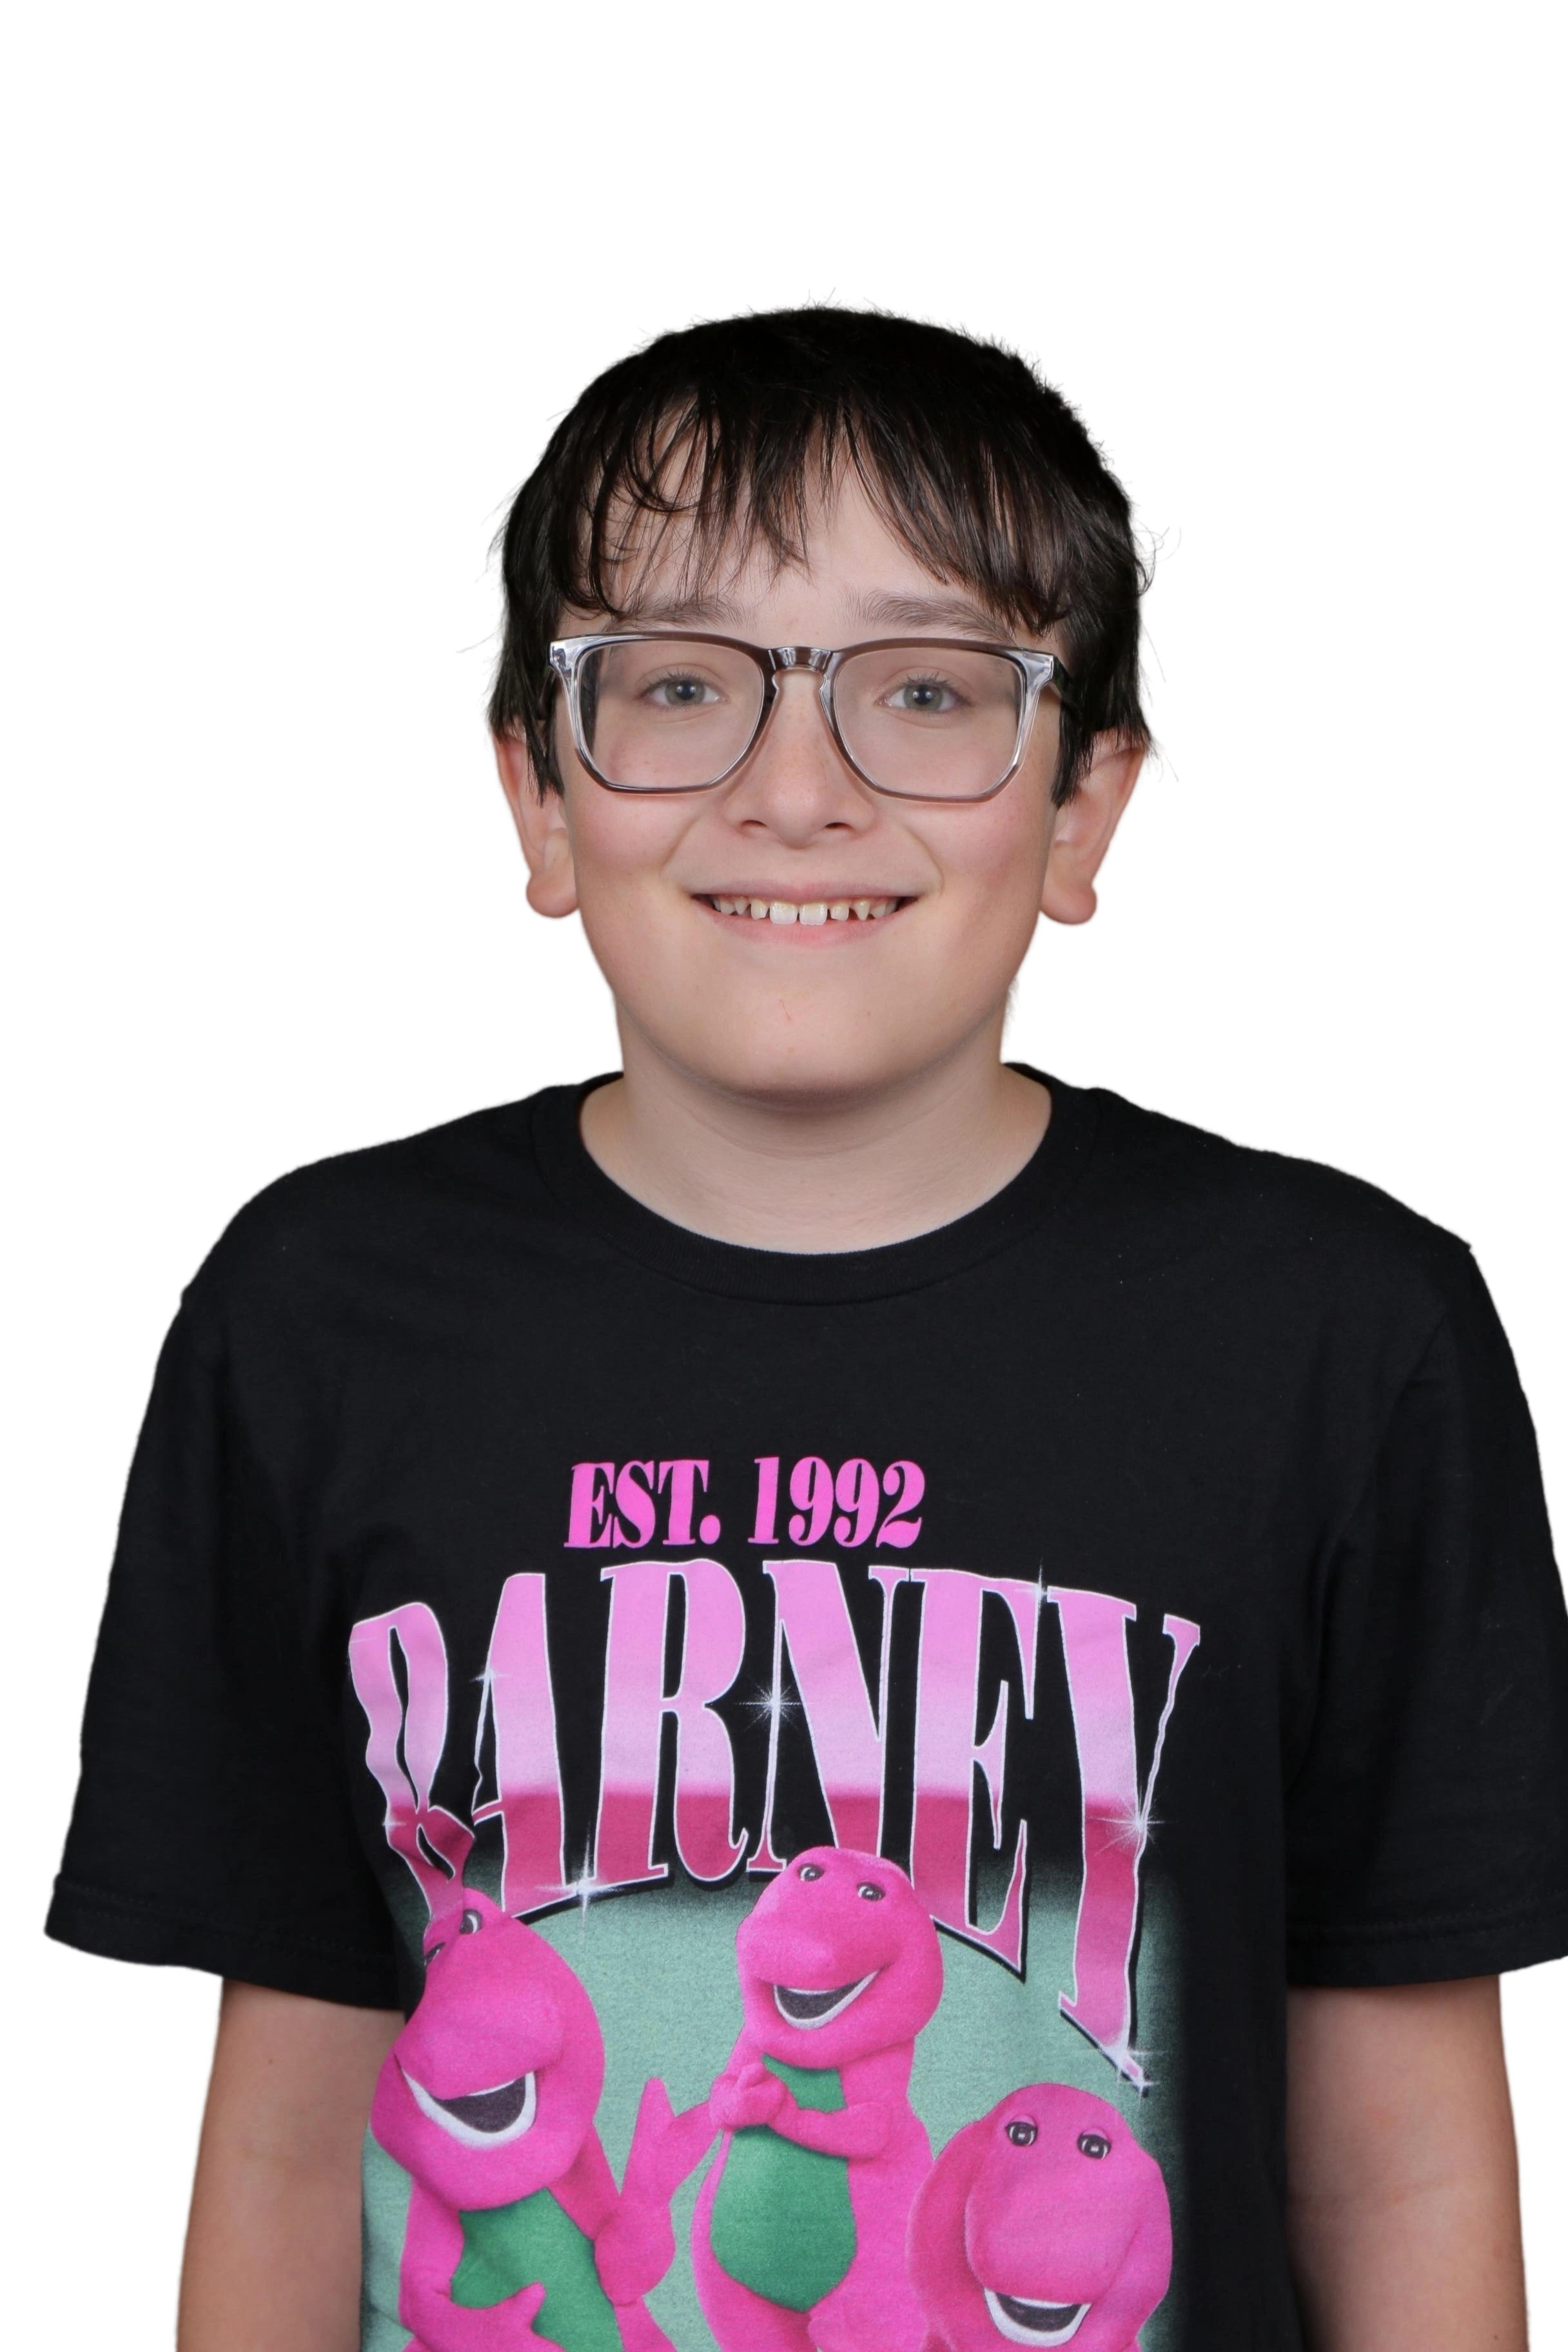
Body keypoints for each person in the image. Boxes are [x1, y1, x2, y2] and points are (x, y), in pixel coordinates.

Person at [43, 289, 1568, 2352]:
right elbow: (296, 2133)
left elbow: (1395, 2159)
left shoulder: (1340, 1327)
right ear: (537, 794)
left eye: (925, 690)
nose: (795, 789)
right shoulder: (318, 1310)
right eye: (680, 683)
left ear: (1087, 806)